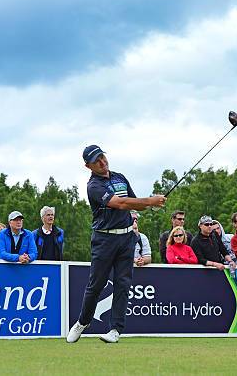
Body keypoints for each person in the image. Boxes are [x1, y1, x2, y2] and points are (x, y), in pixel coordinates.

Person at [67, 144, 166, 344]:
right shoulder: (93, 186)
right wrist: (149, 201)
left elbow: (132, 201)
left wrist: (151, 204)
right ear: (89, 166)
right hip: (104, 239)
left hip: (127, 238)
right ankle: (82, 322)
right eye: (97, 161)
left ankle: (115, 330)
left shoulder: (120, 177)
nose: (103, 162)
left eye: (103, 157)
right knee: (96, 285)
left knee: (123, 284)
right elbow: (120, 204)